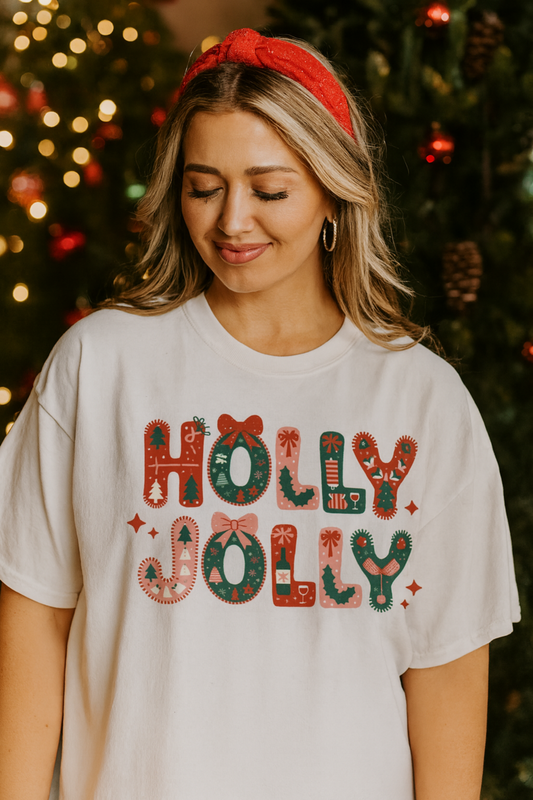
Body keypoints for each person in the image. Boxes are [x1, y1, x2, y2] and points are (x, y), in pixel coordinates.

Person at [0, 27, 520, 800]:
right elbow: (34, 613)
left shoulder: (422, 399)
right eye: (203, 187)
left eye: (269, 191)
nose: (232, 222)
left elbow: (444, 668)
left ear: (332, 192)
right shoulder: (102, 363)